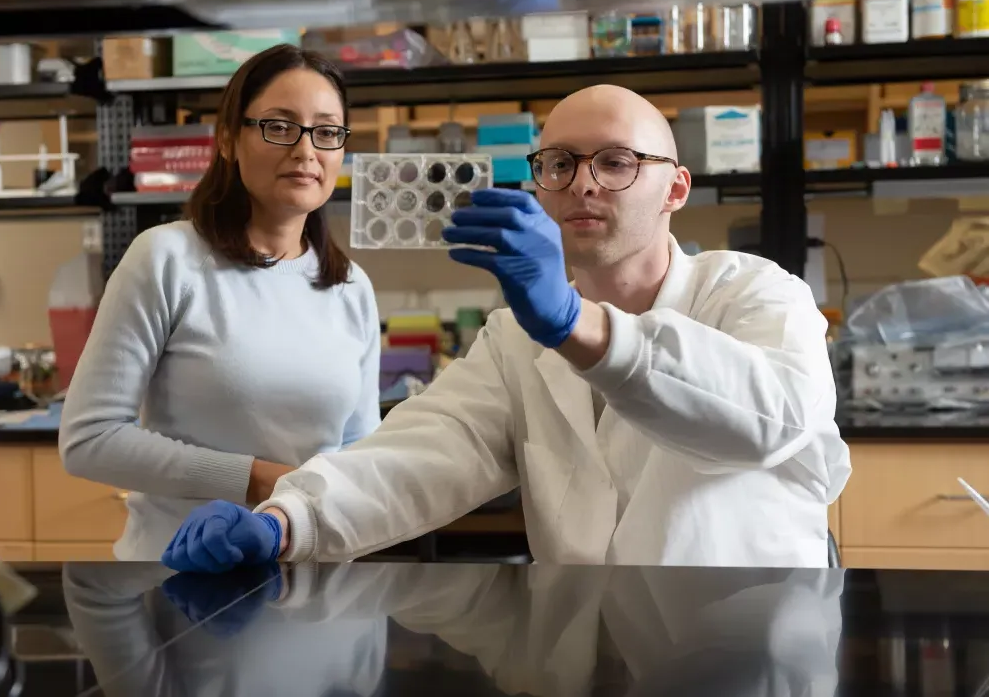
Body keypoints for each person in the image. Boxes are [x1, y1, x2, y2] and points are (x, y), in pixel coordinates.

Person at [161, 84, 851, 572]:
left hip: (743, 654)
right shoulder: (516, 337)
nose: (583, 183)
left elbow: (772, 418)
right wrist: (284, 522)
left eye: (616, 162)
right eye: (560, 163)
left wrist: (574, 322)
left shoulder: (756, 293)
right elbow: (421, 454)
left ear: (675, 188)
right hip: (590, 651)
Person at [59, 45, 381, 561]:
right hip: (180, 579)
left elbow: (362, 457)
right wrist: (255, 480)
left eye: (326, 131)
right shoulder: (167, 259)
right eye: (280, 126)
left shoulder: (350, 287)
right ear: (229, 139)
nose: (306, 151)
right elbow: (89, 439)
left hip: (314, 582)